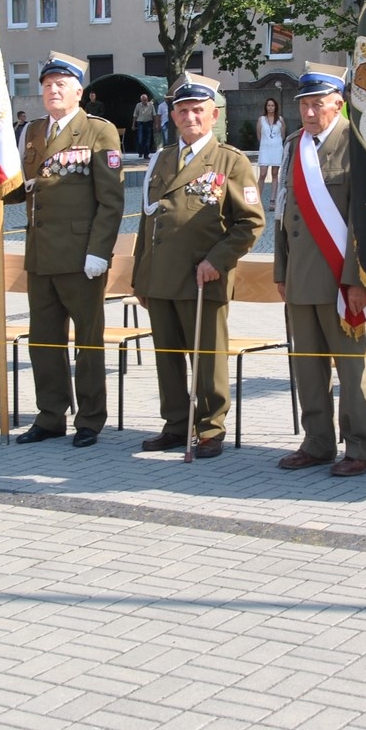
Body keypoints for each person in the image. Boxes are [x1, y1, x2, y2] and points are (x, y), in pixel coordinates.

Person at [132, 73, 265, 458]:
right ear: (172, 116)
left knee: (207, 358)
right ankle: (176, 424)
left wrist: (216, 261)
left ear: (212, 114)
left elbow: (250, 223)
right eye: (182, 110)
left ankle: (210, 428)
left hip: (202, 276)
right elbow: (148, 219)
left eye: (197, 110)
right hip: (161, 277)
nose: (190, 117)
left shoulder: (231, 161)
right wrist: (141, 275)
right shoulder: (161, 160)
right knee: (168, 358)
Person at [5, 51, 123, 447]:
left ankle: (90, 418)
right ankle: (50, 415)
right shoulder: (34, 132)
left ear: (79, 92)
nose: (53, 91)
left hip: (80, 254)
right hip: (40, 253)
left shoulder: (98, 131)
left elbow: (111, 200)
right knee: (44, 340)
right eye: (46, 86)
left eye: (61, 85)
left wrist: (99, 251)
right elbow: (22, 188)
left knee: (87, 341)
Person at [273, 64, 366, 477]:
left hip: (340, 280)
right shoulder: (292, 145)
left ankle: (361, 448)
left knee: (350, 369)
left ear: (339, 104)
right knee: (307, 366)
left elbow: (363, 219)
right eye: (305, 104)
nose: (310, 112)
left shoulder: (357, 144)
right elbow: (284, 211)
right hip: (301, 275)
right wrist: (281, 269)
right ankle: (317, 442)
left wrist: (357, 280)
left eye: (319, 104)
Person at [255, 96, 285, 208]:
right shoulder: (261, 119)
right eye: (268, 105)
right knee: (262, 174)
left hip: (277, 148)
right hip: (265, 148)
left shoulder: (280, 119)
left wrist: (275, 143)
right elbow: (259, 135)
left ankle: (272, 201)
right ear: (266, 107)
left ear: (275, 107)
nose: (270, 107)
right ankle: (256, 201)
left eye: (272, 105)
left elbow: (282, 135)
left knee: (274, 174)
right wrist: (266, 143)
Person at [132, 92, 157, 158]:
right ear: (141, 100)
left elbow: (154, 115)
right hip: (140, 123)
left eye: (146, 100)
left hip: (148, 123)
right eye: (143, 100)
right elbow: (135, 115)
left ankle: (146, 154)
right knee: (140, 139)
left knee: (148, 139)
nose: (145, 101)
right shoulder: (138, 105)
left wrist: (155, 124)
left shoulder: (151, 105)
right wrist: (133, 125)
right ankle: (140, 151)